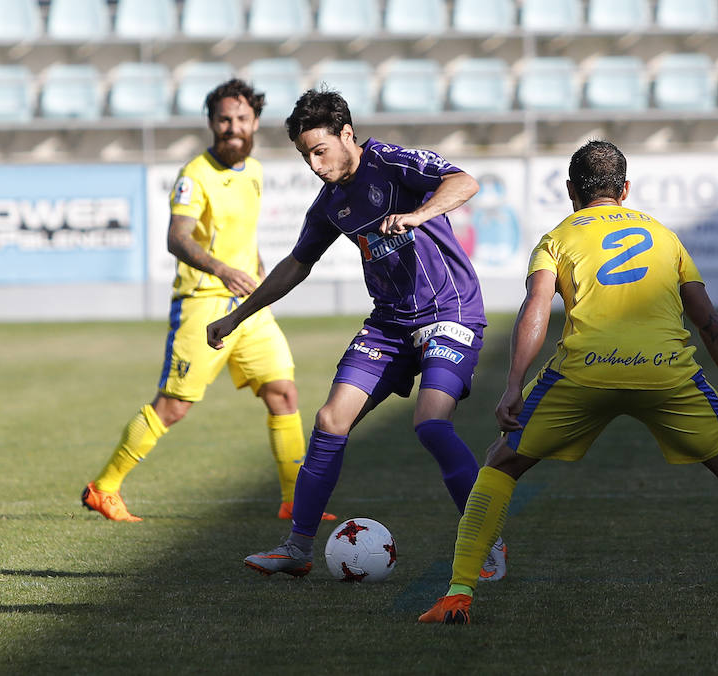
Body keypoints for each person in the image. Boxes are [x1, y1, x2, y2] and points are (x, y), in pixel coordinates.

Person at [419, 140, 718, 624]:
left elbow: (536, 308)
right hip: (664, 370)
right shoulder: (665, 237)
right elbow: (712, 326)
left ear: (569, 190)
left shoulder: (557, 237)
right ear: (625, 189)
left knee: (502, 463)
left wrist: (514, 382)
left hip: (585, 371)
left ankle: (458, 596)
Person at [207, 88, 507, 581]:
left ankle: (487, 541)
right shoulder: (330, 203)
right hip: (390, 322)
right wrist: (236, 317)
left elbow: (465, 181)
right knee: (329, 420)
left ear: (348, 134)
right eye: (306, 155)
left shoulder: (391, 162)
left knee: (431, 424)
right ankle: (297, 548)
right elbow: (295, 266)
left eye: (320, 150)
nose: (314, 163)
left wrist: (417, 214)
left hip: (449, 310)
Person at [81, 79, 333, 523]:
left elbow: (245, 239)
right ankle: (103, 488)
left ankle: (296, 502)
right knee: (174, 406)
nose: (232, 127)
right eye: (223, 120)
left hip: (249, 307)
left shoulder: (253, 170)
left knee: (283, 391)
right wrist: (222, 269)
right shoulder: (194, 175)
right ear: (212, 123)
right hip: (203, 303)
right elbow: (177, 237)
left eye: (241, 119)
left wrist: (254, 271)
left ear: (254, 121)